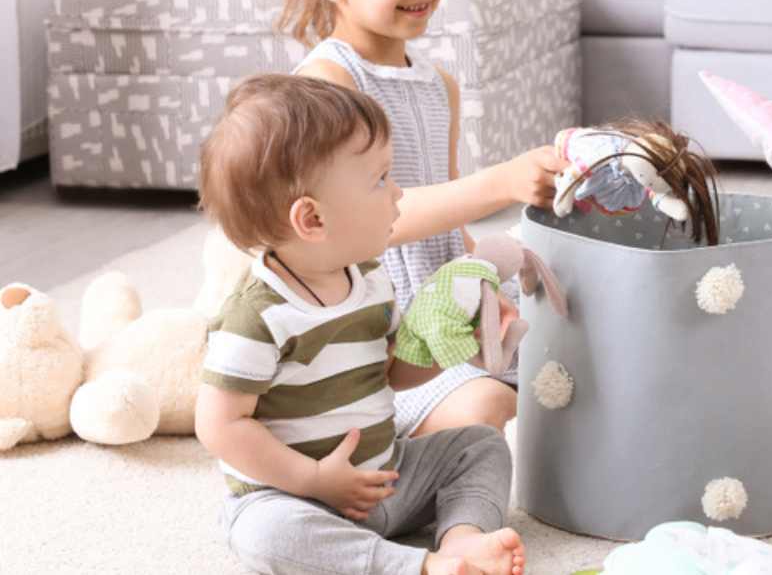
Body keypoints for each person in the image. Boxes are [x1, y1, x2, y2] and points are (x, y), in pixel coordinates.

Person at [274, 0, 565, 436]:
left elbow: (447, 232)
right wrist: (501, 183)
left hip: (443, 311)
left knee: (574, 363)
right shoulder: (329, 84)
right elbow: (364, 225)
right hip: (378, 343)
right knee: (493, 410)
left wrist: (483, 285)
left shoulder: (440, 87)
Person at [195, 74, 525, 575]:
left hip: (386, 474)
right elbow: (219, 425)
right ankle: (412, 566)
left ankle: (462, 540)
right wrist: (312, 479)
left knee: (479, 444)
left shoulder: (370, 278)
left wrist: (447, 347)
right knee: (262, 535)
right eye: (380, 180)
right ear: (312, 220)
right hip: (296, 495)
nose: (397, 194)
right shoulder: (257, 316)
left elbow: (393, 372)